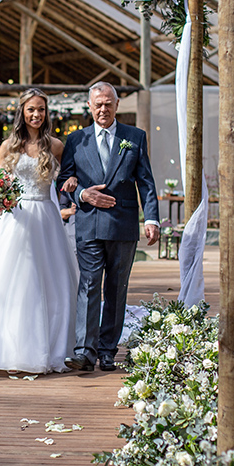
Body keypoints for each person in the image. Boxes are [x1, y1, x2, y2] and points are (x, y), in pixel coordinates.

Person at [0, 89, 79, 373]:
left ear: (46, 113)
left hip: (46, 217)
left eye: (41, 110)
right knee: (14, 283)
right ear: (22, 113)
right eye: (31, 110)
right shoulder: (8, 146)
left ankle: (54, 347)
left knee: (53, 282)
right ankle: (11, 350)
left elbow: (70, 175)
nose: (36, 115)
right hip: (16, 219)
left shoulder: (56, 146)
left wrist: (73, 181)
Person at [58, 81, 160, 372]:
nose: (103, 109)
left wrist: (151, 219)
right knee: (88, 286)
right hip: (88, 224)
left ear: (117, 105)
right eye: (97, 104)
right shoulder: (76, 140)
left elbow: (147, 182)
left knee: (116, 289)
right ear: (89, 107)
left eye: (108, 103)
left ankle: (106, 351)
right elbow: (63, 181)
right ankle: (83, 352)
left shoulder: (134, 137)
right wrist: (81, 194)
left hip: (122, 224)